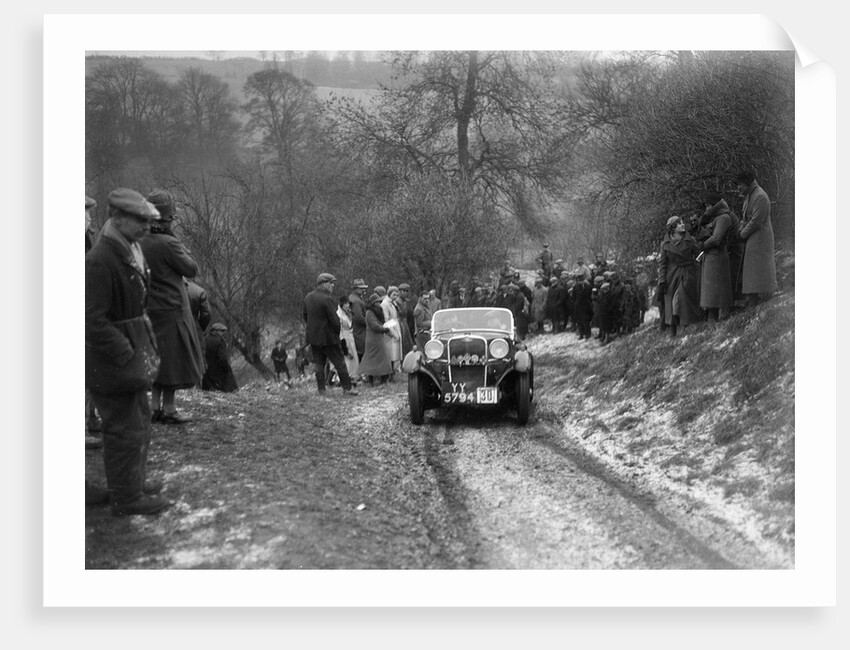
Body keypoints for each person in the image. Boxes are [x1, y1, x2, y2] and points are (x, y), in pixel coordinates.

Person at [85, 188, 170, 516]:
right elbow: (92, 320)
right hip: (113, 361)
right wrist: (125, 352)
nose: (148, 227)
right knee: (123, 428)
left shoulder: (127, 246)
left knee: (139, 420)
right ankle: (125, 497)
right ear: (118, 219)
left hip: (130, 351)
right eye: (141, 221)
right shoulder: (101, 261)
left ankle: (132, 483)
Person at [140, 190, 205, 425]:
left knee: (157, 358)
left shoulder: (138, 239)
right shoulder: (169, 243)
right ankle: (169, 409)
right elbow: (191, 269)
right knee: (172, 361)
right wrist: (182, 249)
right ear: (166, 218)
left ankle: (153, 408)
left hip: (149, 308)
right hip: (172, 309)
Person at [303, 273, 358, 396]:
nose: (333, 285)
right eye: (331, 282)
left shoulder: (308, 297)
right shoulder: (327, 299)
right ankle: (347, 389)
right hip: (328, 338)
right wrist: (336, 334)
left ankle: (321, 390)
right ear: (323, 284)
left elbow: (305, 316)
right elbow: (335, 320)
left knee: (319, 364)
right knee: (340, 363)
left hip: (314, 338)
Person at [736, 170, 778, 306]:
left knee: (760, 268)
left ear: (748, 184)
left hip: (761, 237)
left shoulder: (760, 196)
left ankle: (766, 298)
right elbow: (745, 218)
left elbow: (756, 221)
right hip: (753, 236)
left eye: (740, 184)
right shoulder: (749, 195)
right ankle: (754, 299)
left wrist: (742, 234)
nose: (738, 188)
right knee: (752, 269)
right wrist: (740, 230)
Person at [658, 216, 702, 336]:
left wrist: (697, 268)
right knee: (671, 303)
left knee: (681, 299)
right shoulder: (665, 244)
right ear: (672, 228)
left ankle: (690, 328)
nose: (683, 224)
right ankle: (673, 331)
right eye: (679, 223)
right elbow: (662, 264)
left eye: (682, 222)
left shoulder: (690, 240)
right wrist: (662, 280)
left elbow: (699, 256)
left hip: (688, 273)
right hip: (671, 276)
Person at [699, 193, 735, 322]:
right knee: (711, 291)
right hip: (712, 256)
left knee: (717, 290)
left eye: (708, 206)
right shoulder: (716, 218)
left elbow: (716, 238)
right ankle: (712, 317)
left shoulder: (723, 218)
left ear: (715, 206)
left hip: (718, 257)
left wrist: (703, 245)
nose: (706, 209)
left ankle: (721, 316)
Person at [359, 292, 393, 385]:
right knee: (374, 359)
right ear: (373, 303)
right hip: (373, 338)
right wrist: (385, 329)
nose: (379, 303)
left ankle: (382, 378)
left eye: (379, 301)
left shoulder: (377, 311)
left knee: (381, 357)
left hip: (378, 337)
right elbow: (374, 326)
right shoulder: (370, 313)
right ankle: (373, 379)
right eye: (377, 302)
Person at [202, 323, 239, 392]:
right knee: (228, 391)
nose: (223, 333)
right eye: (221, 331)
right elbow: (223, 358)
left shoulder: (204, 339)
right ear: (214, 331)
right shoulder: (220, 342)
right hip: (218, 371)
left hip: (205, 371)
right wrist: (226, 369)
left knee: (208, 391)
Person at [337, 296, 360, 385]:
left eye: (348, 304)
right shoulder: (339, 315)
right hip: (344, 337)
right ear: (341, 304)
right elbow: (340, 330)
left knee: (353, 358)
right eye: (345, 304)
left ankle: (353, 377)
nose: (347, 306)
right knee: (347, 357)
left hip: (350, 337)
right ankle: (344, 378)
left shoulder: (347, 314)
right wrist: (343, 345)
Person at [348, 279, 369, 362]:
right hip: (359, 331)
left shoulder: (354, 298)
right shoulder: (356, 301)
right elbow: (358, 318)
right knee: (360, 353)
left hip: (358, 331)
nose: (363, 290)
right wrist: (369, 323)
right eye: (361, 288)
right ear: (356, 288)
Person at [571, 272, 593, 340]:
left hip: (586, 306)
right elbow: (574, 296)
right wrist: (576, 303)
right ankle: (581, 333)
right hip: (578, 306)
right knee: (579, 321)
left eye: (582, 280)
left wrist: (588, 302)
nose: (581, 282)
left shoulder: (589, 287)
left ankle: (588, 333)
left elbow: (590, 296)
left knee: (586, 320)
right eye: (580, 281)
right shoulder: (575, 287)